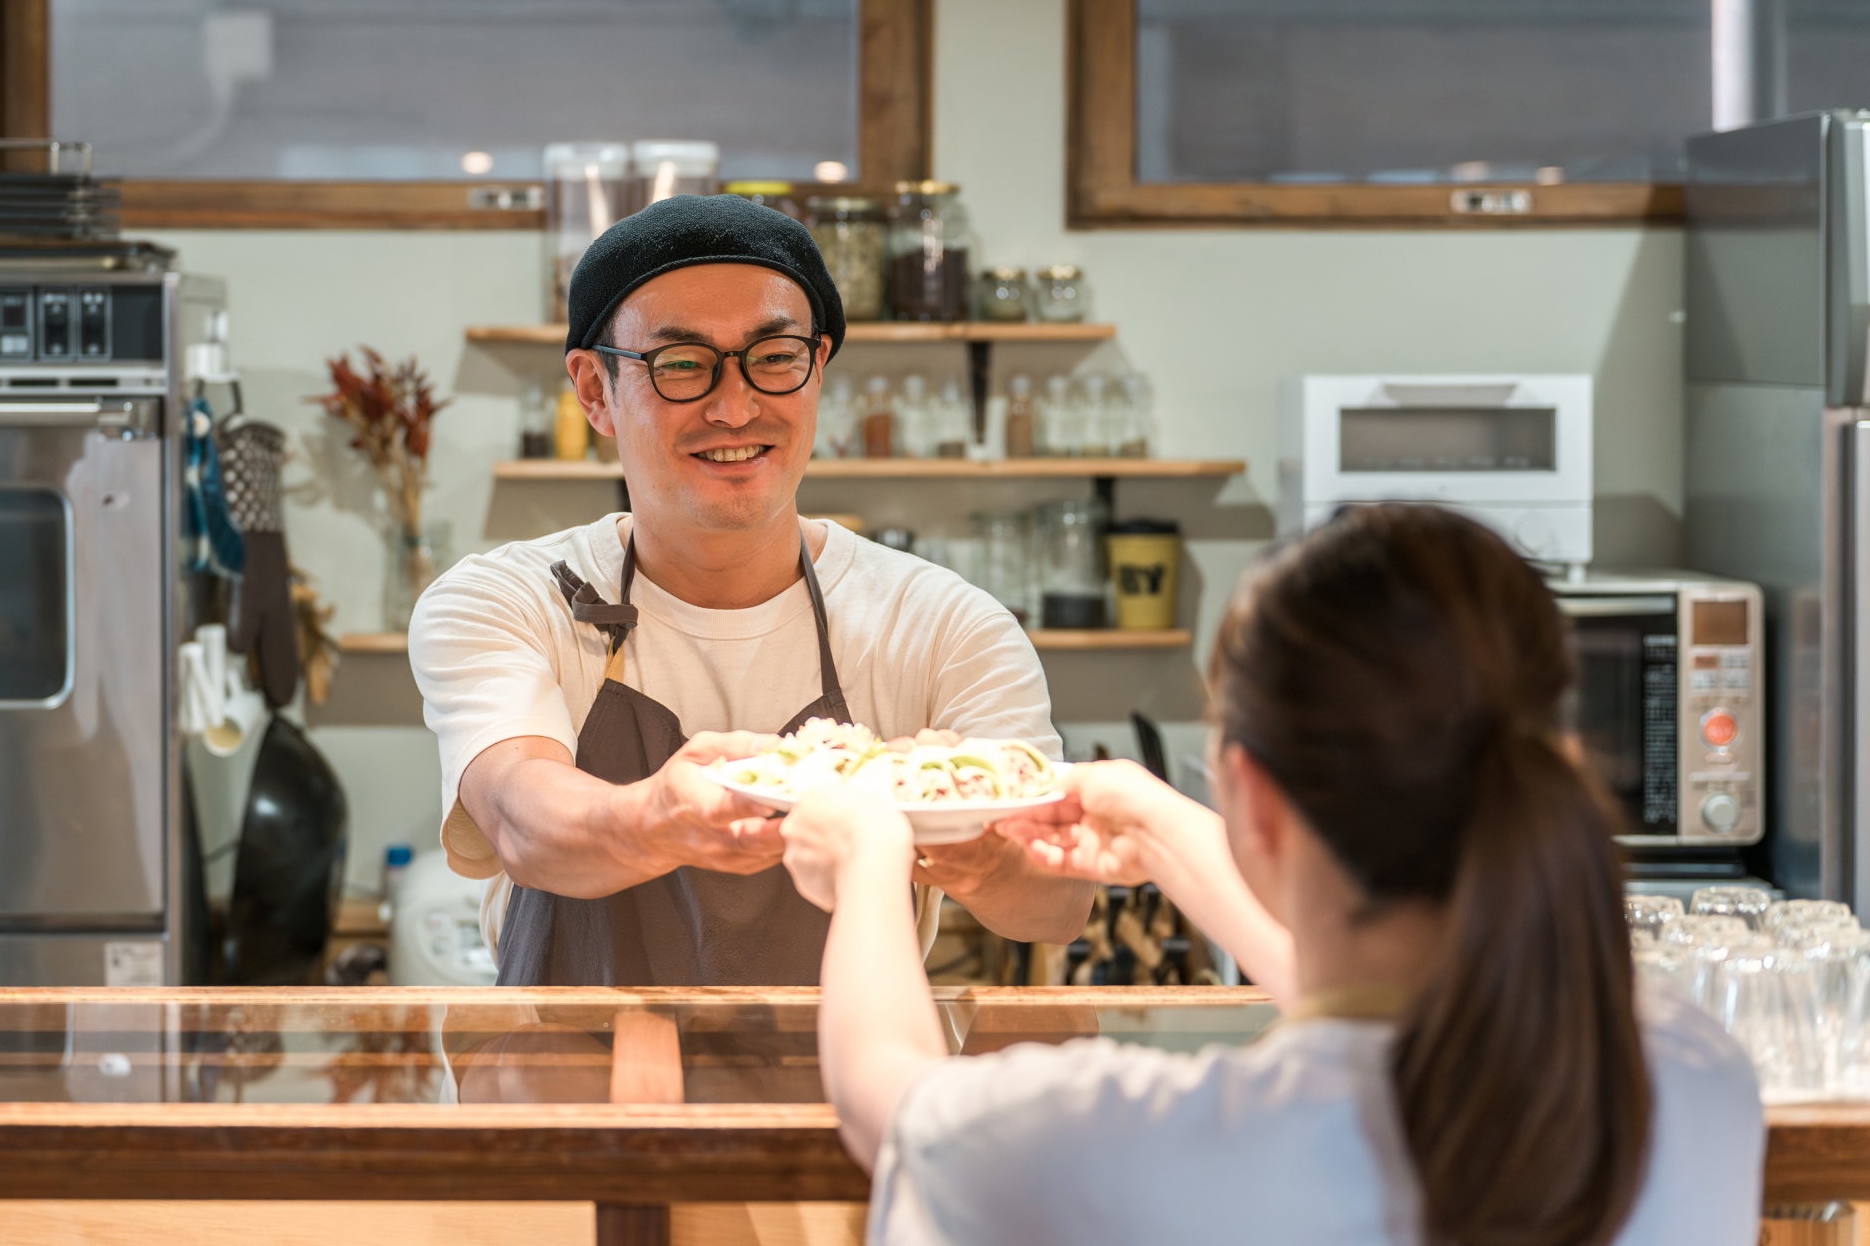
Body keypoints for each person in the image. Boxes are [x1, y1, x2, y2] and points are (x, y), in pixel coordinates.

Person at [781, 504, 1764, 1245]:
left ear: (1250, 796)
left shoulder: (1117, 1139)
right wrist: (1164, 833)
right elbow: (1392, 1012)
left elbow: (887, 1099)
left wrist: (871, 857)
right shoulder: (1690, 1076)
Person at [409, 193, 1091, 985]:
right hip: (568, 1089)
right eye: (682, 366)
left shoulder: (943, 625)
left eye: (773, 358)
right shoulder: (508, 601)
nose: (735, 408)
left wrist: (962, 841)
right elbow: (524, 819)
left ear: (818, 367)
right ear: (595, 391)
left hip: (850, 1090)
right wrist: (660, 817)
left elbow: (1056, 904)